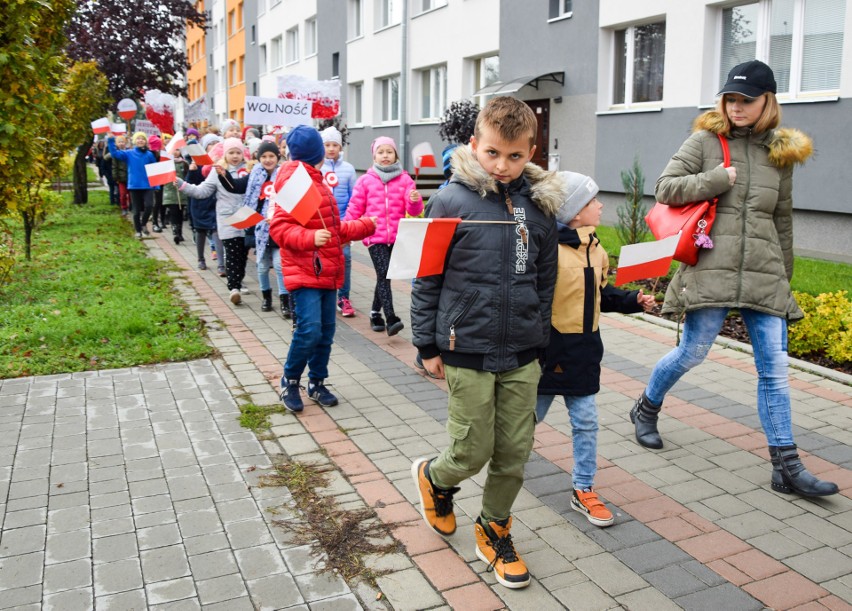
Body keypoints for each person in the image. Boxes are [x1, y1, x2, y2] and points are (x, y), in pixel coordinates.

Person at [630, 60, 837, 498]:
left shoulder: (780, 156)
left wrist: (784, 276)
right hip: (711, 266)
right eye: (731, 98)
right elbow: (665, 188)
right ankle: (646, 407)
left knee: (775, 370)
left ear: (767, 102)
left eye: (746, 99)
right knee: (693, 353)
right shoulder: (706, 140)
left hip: (764, 271)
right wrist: (715, 180)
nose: (736, 106)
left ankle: (787, 467)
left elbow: (782, 219)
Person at [409, 96, 561, 589]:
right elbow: (426, 277)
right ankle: (437, 478)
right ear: (474, 145)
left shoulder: (540, 208)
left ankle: (494, 527)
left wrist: (539, 340)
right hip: (464, 345)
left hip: (521, 352)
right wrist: (427, 344)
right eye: (493, 153)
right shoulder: (450, 200)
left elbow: (544, 282)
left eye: (515, 156)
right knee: (472, 450)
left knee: (514, 452)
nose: (502, 165)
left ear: (531, 153)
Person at [537, 171, 656, 528]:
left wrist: (634, 300)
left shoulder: (596, 248)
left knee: (586, 422)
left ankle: (583, 488)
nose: (601, 205)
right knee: (525, 422)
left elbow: (600, 295)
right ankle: (504, 467)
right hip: (549, 353)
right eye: (592, 201)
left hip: (585, 351)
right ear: (574, 212)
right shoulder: (549, 251)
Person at [269, 125, 376, 413]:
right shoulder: (295, 181)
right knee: (309, 330)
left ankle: (317, 381)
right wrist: (310, 238)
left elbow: (333, 230)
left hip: (327, 271)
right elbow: (279, 229)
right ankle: (290, 381)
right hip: (305, 272)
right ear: (316, 153)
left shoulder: (317, 182)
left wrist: (366, 224)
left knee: (326, 331)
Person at [345, 136, 423, 335]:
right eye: (381, 152)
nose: (385, 156)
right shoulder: (365, 181)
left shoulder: (405, 179)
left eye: (389, 151)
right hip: (374, 236)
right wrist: (345, 231)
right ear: (374, 156)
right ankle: (391, 317)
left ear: (395, 154)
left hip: (396, 237)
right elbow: (354, 208)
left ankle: (374, 313)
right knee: (385, 274)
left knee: (384, 276)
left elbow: (414, 211)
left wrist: (414, 200)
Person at [218, 140, 290, 317]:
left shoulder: (284, 175)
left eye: (271, 156)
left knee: (280, 266)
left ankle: (284, 301)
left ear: (277, 157)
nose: (267, 160)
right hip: (259, 229)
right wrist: (223, 174)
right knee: (262, 266)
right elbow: (235, 187)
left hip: (278, 226)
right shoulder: (254, 175)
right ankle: (266, 298)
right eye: (264, 156)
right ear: (258, 158)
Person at [177, 137, 250, 303]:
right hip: (227, 218)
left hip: (246, 217)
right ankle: (234, 287)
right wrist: (183, 185)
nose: (235, 156)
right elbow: (202, 191)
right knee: (232, 253)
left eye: (238, 152)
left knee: (243, 254)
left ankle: (239, 280)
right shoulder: (217, 171)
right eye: (231, 152)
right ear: (225, 154)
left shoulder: (249, 169)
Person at [320, 126, 358, 318]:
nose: (331, 148)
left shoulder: (348, 169)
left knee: (345, 259)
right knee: (324, 262)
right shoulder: (317, 168)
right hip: (321, 224)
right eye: (327, 144)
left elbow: (354, 198)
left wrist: (349, 226)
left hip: (342, 223)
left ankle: (344, 298)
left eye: (335, 144)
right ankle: (325, 295)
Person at [107, 132, 157, 238]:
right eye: (138, 139)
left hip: (148, 185)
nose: (140, 140)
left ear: (145, 141)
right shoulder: (129, 153)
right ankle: (138, 231)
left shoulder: (149, 155)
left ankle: (143, 224)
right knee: (136, 210)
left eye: (142, 139)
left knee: (149, 206)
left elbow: (155, 170)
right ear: (134, 141)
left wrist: (156, 185)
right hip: (134, 185)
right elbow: (115, 154)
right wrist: (111, 140)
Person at [184, 135, 222, 273]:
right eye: (211, 143)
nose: (215, 146)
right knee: (200, 231)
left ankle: (221, 263)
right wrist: (192, 171)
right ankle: (200, 258)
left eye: (217, 143)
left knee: (216, 231)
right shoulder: (198, 162)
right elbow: (190, 183)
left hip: (216, 202)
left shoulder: (222, 162)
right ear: (205, 148)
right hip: (200, 202)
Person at [104, 135, 129, 215]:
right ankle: (124, 207)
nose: (121, 143)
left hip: (130, 177)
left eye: (123, 142)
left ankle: (131, 206)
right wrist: (116, 177)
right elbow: (114, 167)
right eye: (119, 142)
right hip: (121, 178)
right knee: (122, 194)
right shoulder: (116, 154)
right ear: (116, 144)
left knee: (131, 194)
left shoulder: (129, 152)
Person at [148, 135, 166, 233]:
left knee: (161, 201)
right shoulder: (149, 154)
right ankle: (155, 222)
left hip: (161, 179)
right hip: (152, 181)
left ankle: (162, 221)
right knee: (157, 202)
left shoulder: (162, 154)